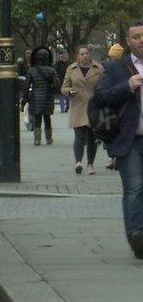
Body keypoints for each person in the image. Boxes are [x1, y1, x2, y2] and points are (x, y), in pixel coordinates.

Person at [93, 21, 143, 259]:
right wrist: (127, 86)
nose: (141, 40)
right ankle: (136, 236)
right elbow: (101, 98)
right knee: (134, 188)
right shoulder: (117, 69)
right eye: (136, 37)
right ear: (128, 41)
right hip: (130, 140)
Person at [61, 46, 103, 174]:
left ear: (90, 55)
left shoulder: (99, 68)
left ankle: (90, 165)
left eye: (86, 53)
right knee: (79, 136)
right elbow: (64, 87)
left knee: (92, 137)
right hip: (77, 105)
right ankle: (78, 162)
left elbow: (105, 85)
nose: (85, 56)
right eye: (82, 54)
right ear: (77, 56)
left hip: (93, 106)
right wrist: (69, 91)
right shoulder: (71, 69)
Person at [22, 46, 58, 146]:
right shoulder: (52, 71)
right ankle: (49, 138)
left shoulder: (31, 70)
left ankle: (37, 139)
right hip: (47, 97)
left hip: (35, 97)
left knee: (37, 119)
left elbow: (26, 86)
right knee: (47, 118)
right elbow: (56, 85)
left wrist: (24, 100)